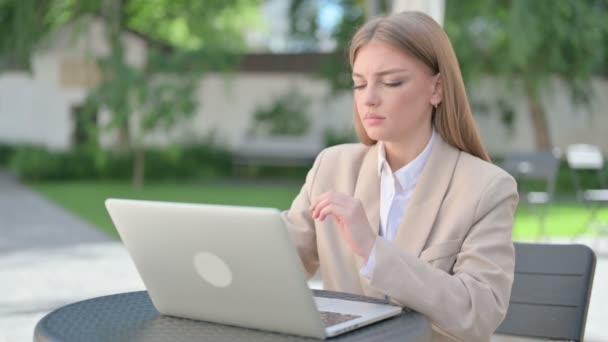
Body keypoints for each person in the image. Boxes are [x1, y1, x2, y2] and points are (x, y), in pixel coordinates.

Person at [281, 11, 519, 342]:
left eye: (391, 82)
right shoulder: (331, 167)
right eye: (359, 83)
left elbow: (477, 314)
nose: (369, 98)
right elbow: (281, 262)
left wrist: (372, 251)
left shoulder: (487, 188)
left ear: (436, 88)